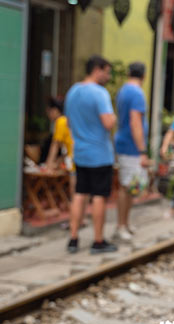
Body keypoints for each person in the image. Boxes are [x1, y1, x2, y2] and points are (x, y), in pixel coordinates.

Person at [64, 55, 117, 254]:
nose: (108, 76)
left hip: (80, 153)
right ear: (97, 70)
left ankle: (73, 238)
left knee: (79, 194)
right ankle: (98, 240)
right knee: (98, 197)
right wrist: (114, 117)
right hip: (100, 154)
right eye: (107, 72)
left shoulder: (73, 91)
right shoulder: (100, 94)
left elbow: (68, 123)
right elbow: (108, 123)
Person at [114, 62, 150, 242]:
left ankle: (125, 223)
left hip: (125, 144)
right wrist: (142, 150)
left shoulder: (123, 91)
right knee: (127, 187)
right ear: (144, 76)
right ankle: (120, 226)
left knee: (129, 186)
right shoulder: (136, 93)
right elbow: (136, 122)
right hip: (131, 147)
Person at [41, 98, 75, 194]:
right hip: (78, 157)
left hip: (75, 159)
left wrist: (48, 165)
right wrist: (57, 162)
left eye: (49, 112)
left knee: (75, 191)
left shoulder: (60, 121)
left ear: (55, 110)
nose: (48, 115)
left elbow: (55, 145)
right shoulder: (67, 120)